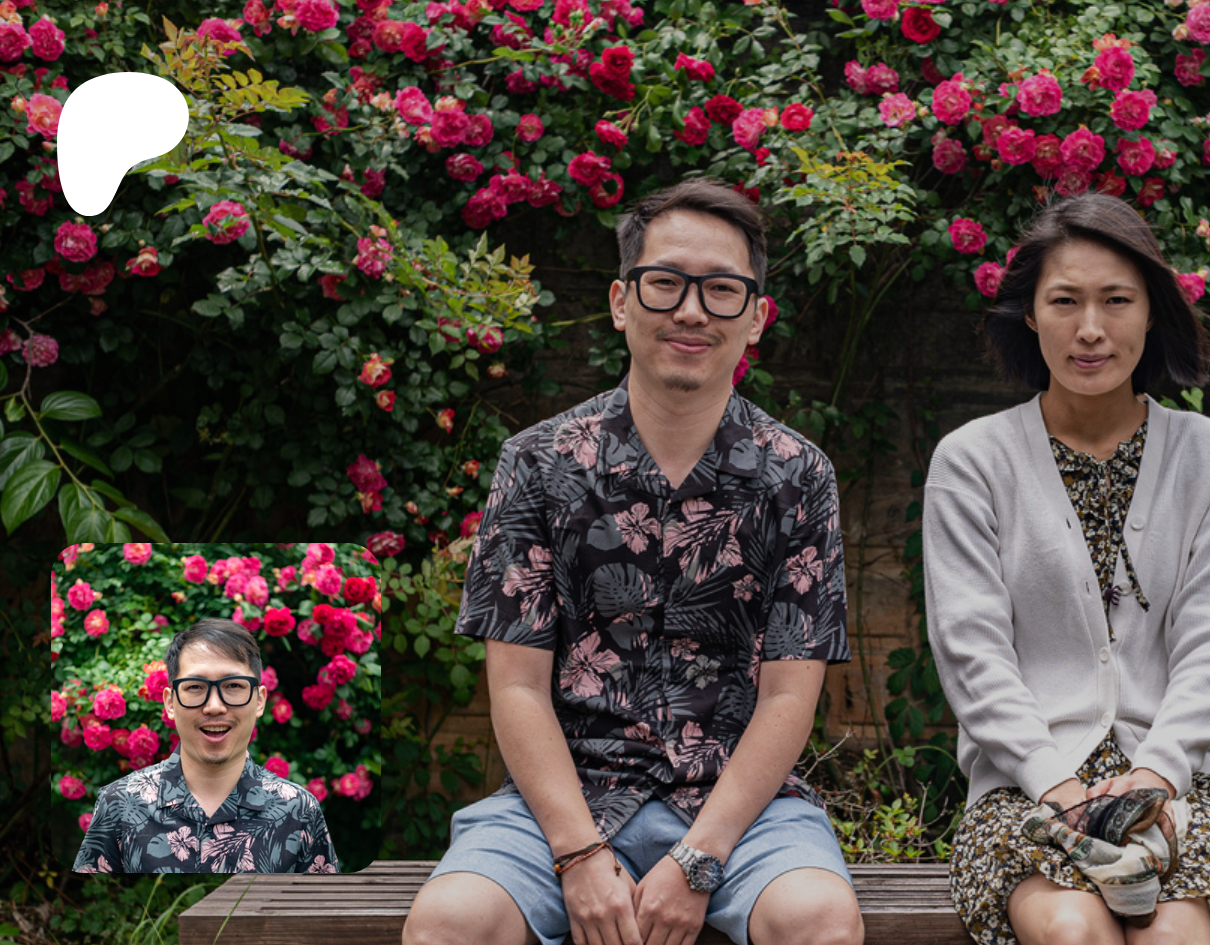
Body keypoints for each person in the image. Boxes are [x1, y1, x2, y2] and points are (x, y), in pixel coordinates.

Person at [403, 178, 863, 945]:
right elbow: (516, 685)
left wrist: (701, 857)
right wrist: (578, 852)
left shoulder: (797, 474)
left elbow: (789, 695)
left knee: (821, 921)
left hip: (739, 807)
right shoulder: (538, 463)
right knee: (447, 925)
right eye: (665, 283)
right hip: (565, 799)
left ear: (756, 317)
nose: (691, 311)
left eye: (721, 289)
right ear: (621, 301)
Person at [923, 193, 1210, 945]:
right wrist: (1057, 784)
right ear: (1030, 314)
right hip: (1026, 790)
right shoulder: (972, 462)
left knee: (1171, 939)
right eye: (1065, 301)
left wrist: (1154, 776)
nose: (1090, 328)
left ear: (1151, 313)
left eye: (1117, 300)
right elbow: (972, 650)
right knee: (1072, 931)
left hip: (1183, 784)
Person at [72, 618, 339, 873]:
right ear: (170, 703)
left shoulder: (298, 811)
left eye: (233, 685)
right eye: (195, 687)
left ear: (259, 701)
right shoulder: (119, 804)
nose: (214, 706)